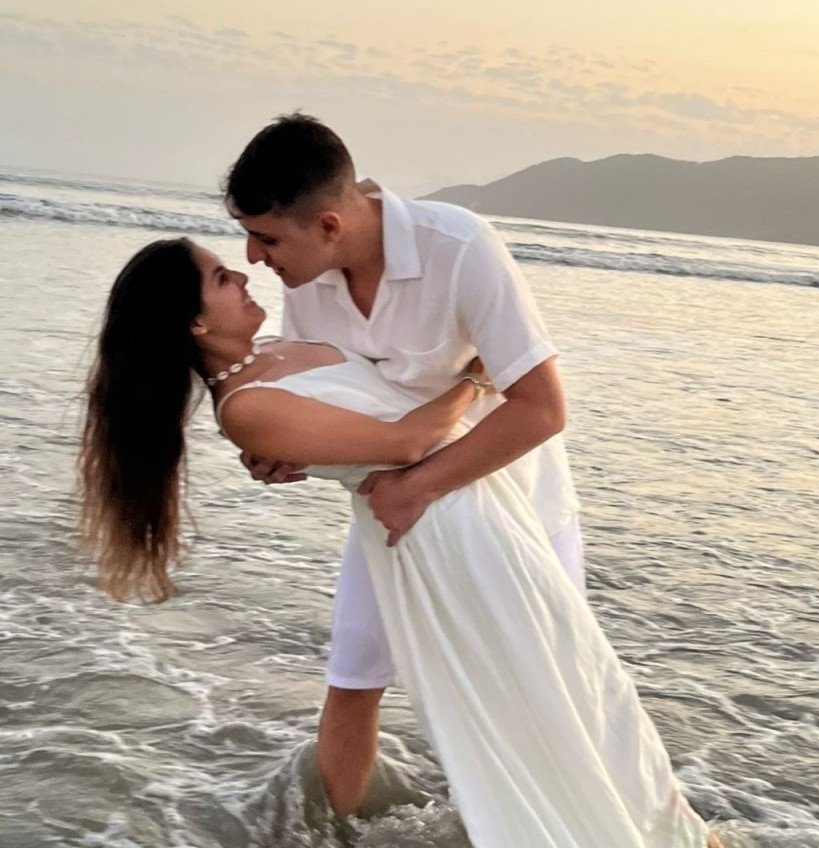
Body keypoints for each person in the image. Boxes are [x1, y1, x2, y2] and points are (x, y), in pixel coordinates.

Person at [79, 238, 722, 847]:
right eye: (222, 278)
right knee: (549, 685)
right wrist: (477, 379)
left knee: (579, 680)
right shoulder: (245, 408)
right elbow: (407, 442)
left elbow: (374, 401)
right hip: (446, 530)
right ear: (194, 322)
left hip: (476, 502)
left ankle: (655, 830)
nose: (244, 274)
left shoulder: (275, 350)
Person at [224, 114, 587, 816]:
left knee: (556, 703)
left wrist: (418, 485)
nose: (253, 257)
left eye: (266, 237)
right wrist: (285, 450)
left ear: (328, 225)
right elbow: (331, 403)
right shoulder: (308, 275)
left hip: (512, 512)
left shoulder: (460, 248)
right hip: (390, 512)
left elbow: (543, 409)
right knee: (353, 677)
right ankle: (336, 832)